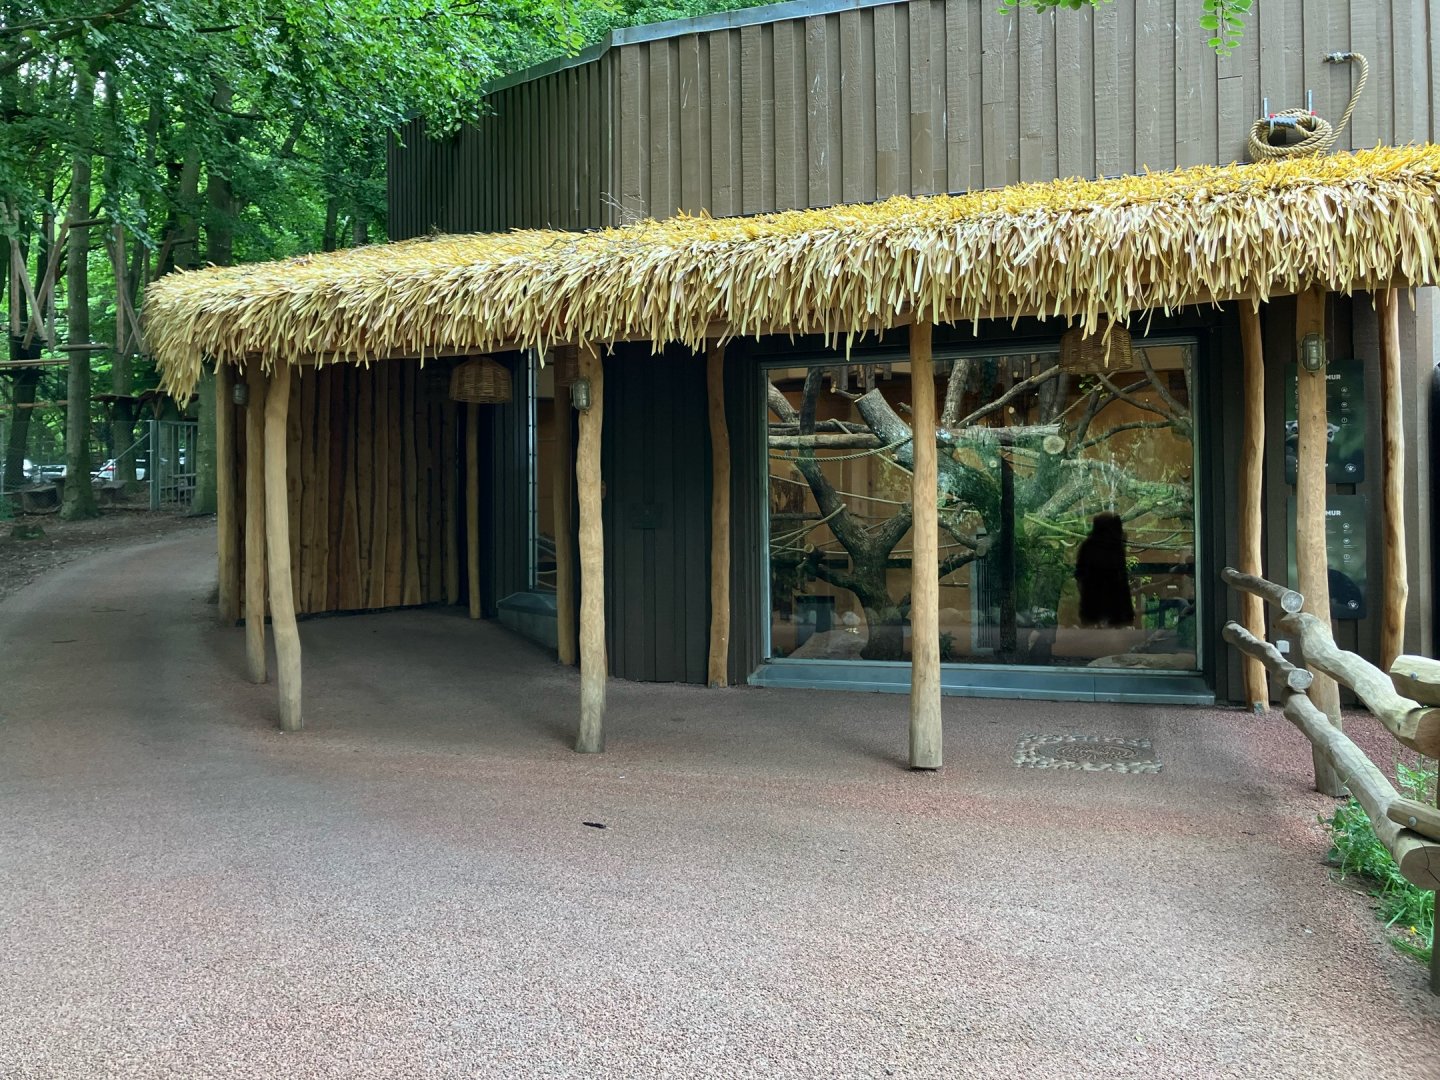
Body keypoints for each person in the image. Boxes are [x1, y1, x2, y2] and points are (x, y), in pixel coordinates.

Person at [1075, 512, 1135, 628]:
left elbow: (1080, 575)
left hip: (1095, 597)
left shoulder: (1088, 545)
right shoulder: (1113, 547)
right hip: (1105, 597)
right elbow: (1120, 579)